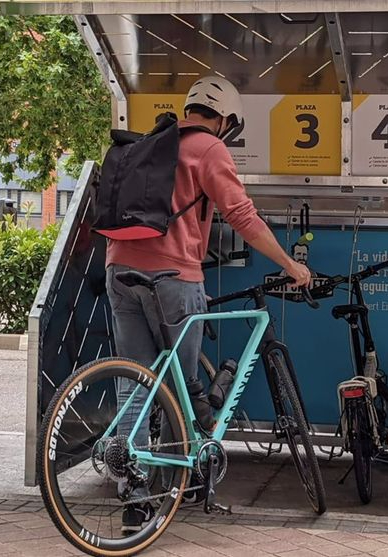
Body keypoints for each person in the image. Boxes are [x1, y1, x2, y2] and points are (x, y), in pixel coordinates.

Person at [105, 75, 311, 533]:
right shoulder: (209, 148)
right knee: (180, 388)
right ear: (225, 119)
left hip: (119, 269)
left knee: (135, 383)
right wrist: (290, 265)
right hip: (173, 275)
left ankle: (134, 498)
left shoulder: (155, 140)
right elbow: (241, 216)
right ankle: (178, 486)